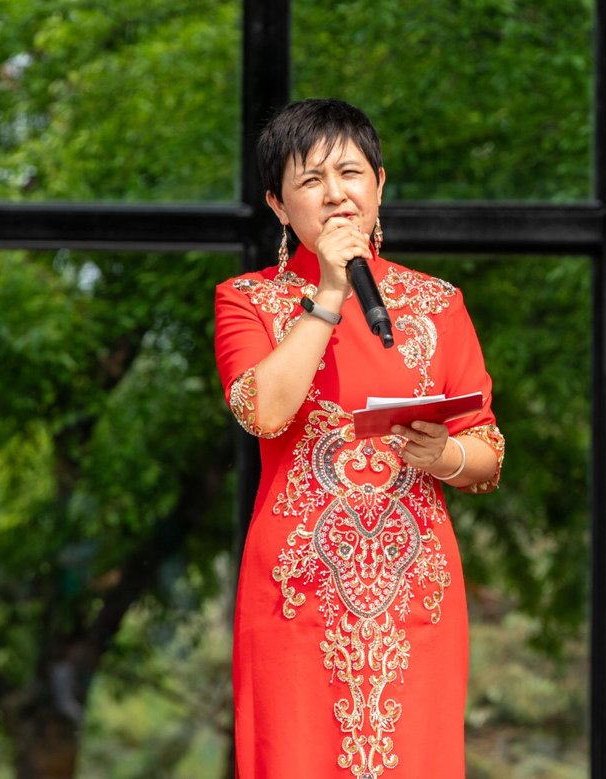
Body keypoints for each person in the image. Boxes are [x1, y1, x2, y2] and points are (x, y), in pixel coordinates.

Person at [214, 98, 505, 778]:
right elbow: (264, 412)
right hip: (297, 590)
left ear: (379, 184)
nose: (335, 194)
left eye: (350, 173)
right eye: (310, 180)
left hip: (413, 589)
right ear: (278, 205)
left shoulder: (438, 303)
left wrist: (445, 455)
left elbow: (488, 453)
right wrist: (327, 294)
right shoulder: (248, 299)